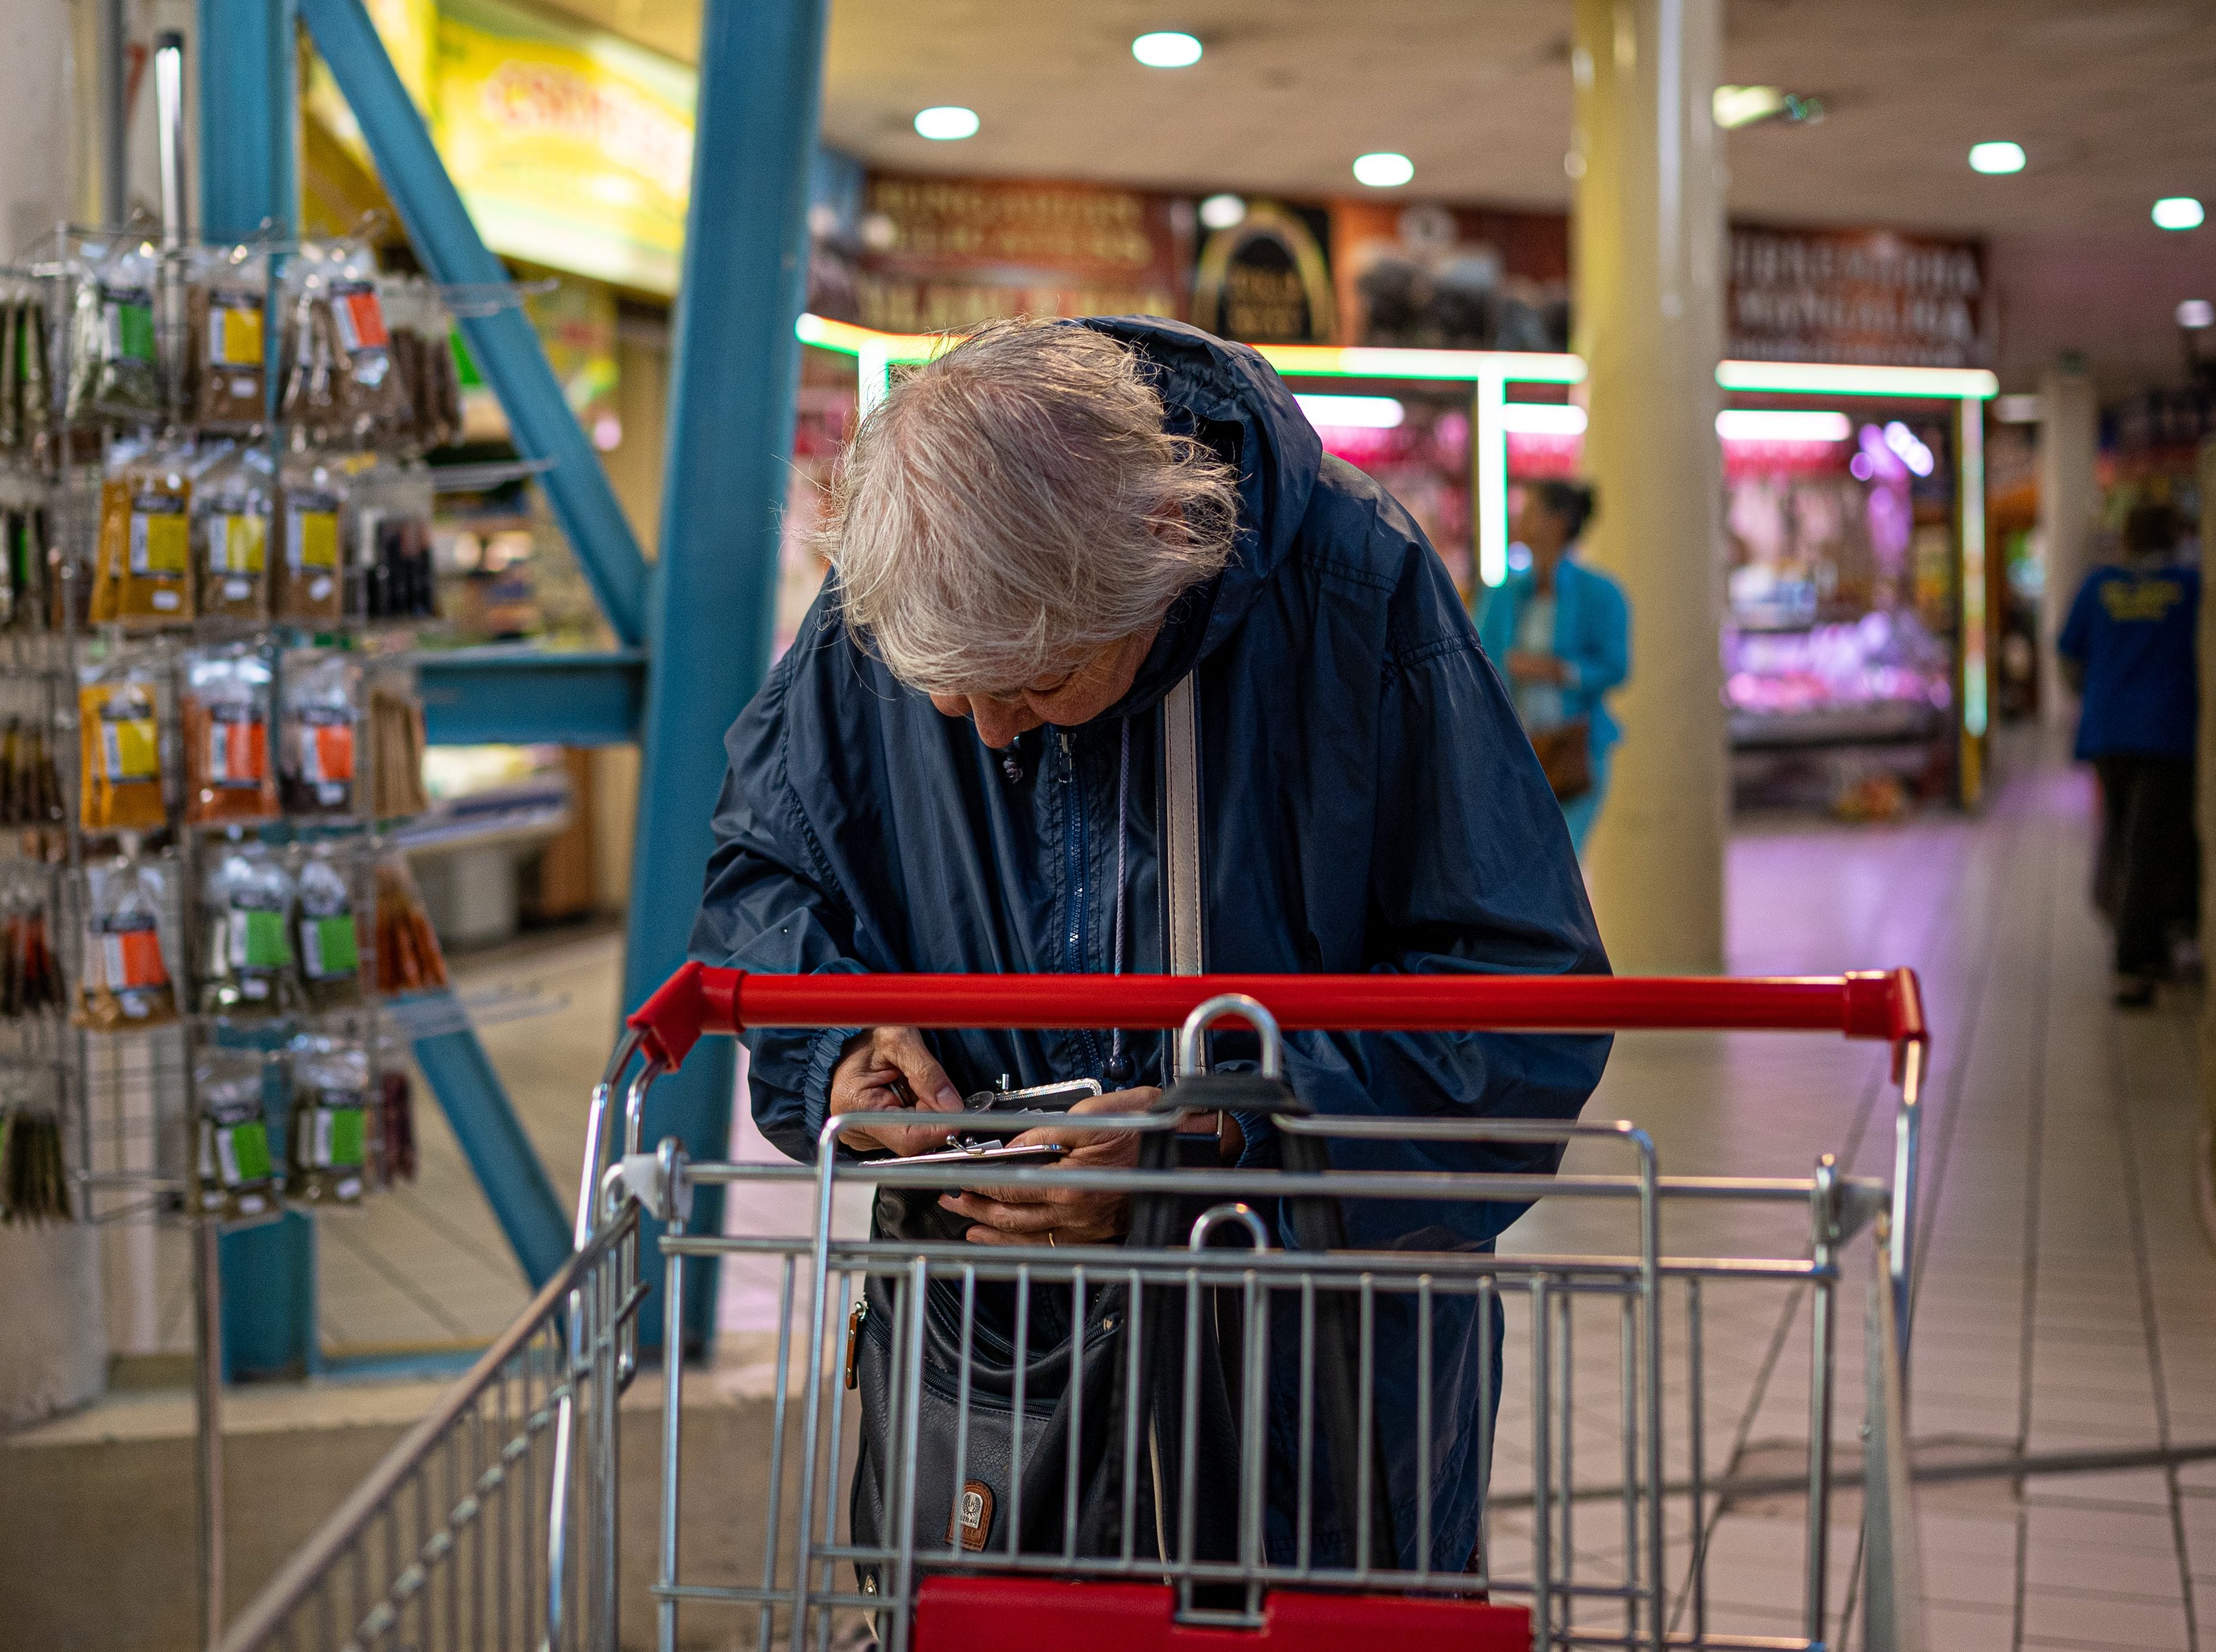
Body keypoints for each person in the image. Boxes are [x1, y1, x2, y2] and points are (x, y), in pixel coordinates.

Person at [689, 315, 1610, 1574]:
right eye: (951, 702)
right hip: (991, 1375)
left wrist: (1221, 1137)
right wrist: (835, 1045)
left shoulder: (1353, 590)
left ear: (1164, 557)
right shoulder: (888, 600)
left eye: (1036, 680)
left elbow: (1519, 999)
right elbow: (768, 870)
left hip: (1307, 1391)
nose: (995, 733)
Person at [2057, 502, 2201, 1008]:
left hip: (2108, 731)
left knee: (2120, 837)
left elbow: (2068, 654)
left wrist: (2101, 694)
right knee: (2151, 845)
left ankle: (2137, 937)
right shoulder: (2188, 586)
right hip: (2166, 731)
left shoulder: (2099, 586)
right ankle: (2133, 962)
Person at [1472, 479, 1631, 854]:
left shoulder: (1601, 593)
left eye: (1530, 513)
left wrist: (1557, 671)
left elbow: (1616, 666)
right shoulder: (1504, 595)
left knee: (1561, 861)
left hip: (1575, 750)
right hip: (1517, 749)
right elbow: (1480, 659)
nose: (1521, 522)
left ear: (1559, 522)